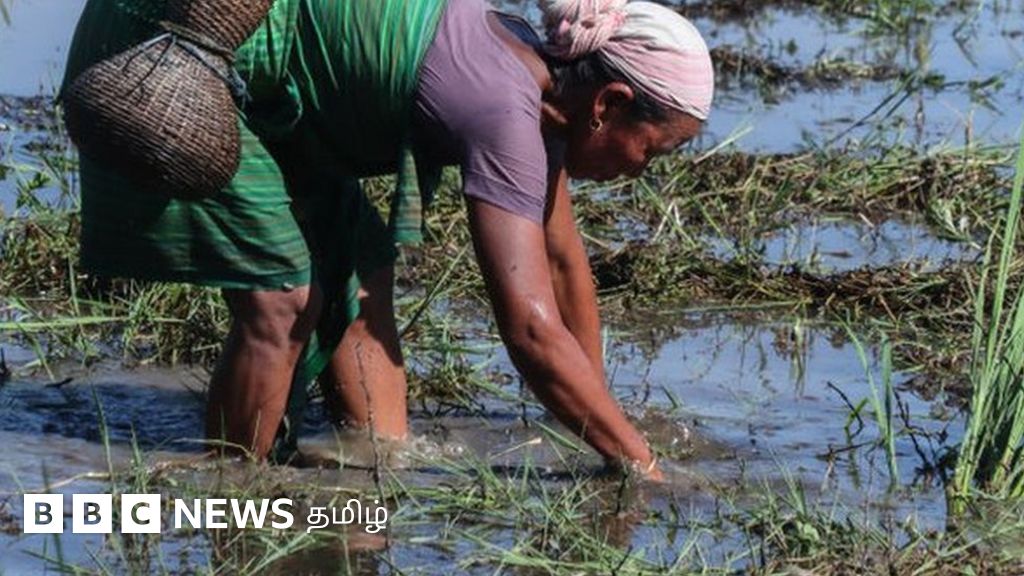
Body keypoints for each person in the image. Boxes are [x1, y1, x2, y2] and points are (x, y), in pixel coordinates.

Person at [62, 0, 713, 479]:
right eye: (651, 151)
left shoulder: (535, 86)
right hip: (168, 61)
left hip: (268, 85)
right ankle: (232, 491)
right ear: (609, 104)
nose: (639, 171)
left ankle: (368, 464)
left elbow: (563, 263)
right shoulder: (502, 106)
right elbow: (531, 331)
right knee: (283, 299)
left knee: (358, 261)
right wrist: (640, 464)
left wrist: (590, 414)